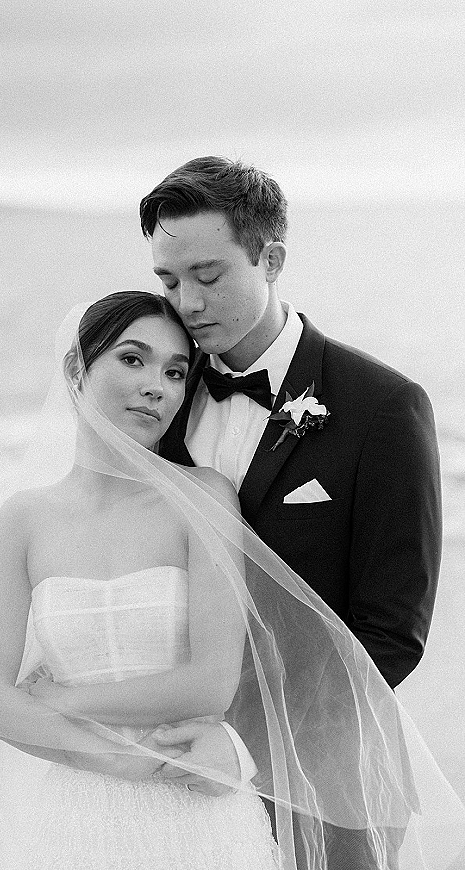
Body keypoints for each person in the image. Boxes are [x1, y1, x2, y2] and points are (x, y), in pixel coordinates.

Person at [0, 291, 462, 870]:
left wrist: (59, 702)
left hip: (194, 800)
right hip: (69, 812)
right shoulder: (21, 519)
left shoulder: (203, 497)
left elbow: (210, 683)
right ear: (78, 368)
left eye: (176, 372)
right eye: (132, 360)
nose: (157, 386)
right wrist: (123, 761)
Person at [139, 157, 443, 862]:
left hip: (326, 779)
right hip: (174, 771)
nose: (186, 303)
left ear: (270, 258)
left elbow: (391, 632)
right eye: (168, 280)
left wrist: (243, 742)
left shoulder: (384, 408)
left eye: (208, 277)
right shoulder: (158, 393)